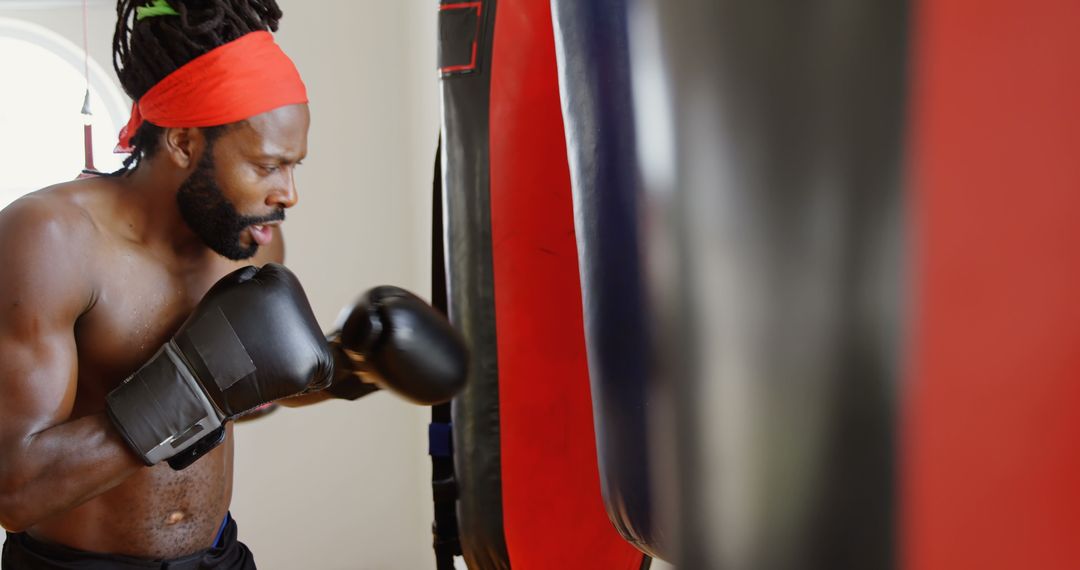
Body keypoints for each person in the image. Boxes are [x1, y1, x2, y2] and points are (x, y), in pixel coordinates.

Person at [0, 1, 466, 568]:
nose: (289, 193)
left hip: (221, 557)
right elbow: (16, 491)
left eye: (295, 165)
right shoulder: (51, 240)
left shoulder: (246, 238)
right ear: (183, 142)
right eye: (268, 166)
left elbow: (245, 393)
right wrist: (189, 389)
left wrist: (344, 366)